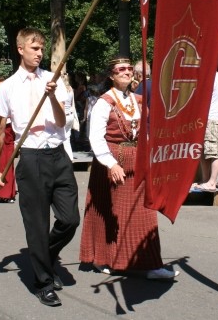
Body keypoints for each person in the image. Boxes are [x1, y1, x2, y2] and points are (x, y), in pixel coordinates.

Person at [0, 28, 79, 307]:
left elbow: (62, 122)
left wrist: (52, 96)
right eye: (34, 48)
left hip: (58, 155)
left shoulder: (54, 80)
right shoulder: (8, 87)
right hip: (30, 157)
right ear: (20, 49)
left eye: (41, 49)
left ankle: (44, 256)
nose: (40, 53)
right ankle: (43, 282)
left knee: (69, 219)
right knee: (37, 224)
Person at [79, 57, 177, 280]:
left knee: (145, 212)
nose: (126, 72)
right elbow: (95, 137)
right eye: (121, 69)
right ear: (111, 76)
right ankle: (103, 258)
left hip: (138, 159)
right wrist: (110, 164)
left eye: (129, 69)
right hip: (112, 160)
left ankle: (150, 263)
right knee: (109, 212)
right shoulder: (104, 102)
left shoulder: (139, 100)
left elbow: (147, 131)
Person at [193, 70, 218, 191]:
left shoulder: (209, 78)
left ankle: (211, 182)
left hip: (210, 118)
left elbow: (202, 98)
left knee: (212, 152)